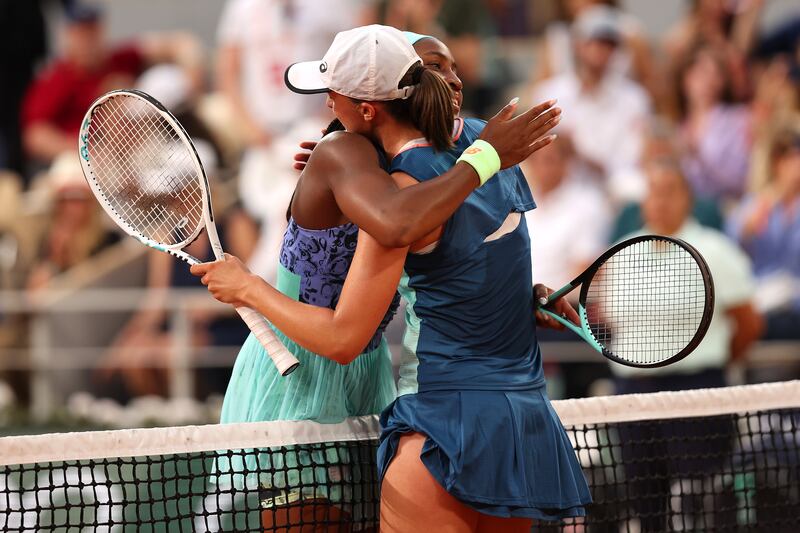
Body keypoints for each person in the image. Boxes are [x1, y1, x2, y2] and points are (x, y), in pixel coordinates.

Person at [193, 24, 588, 532]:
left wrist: (519, 298)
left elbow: (410, 233)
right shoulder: (376, 158)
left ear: (368, 107)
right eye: (432, 69)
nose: (449, 82)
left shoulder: (430, 168)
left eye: (333, 94)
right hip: (294, 368)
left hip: (377, 373)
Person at [610, 158, 763, 531]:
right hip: (632, 396)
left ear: (688, 199)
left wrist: (716, 364)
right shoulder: (621, 250)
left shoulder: (716, 248)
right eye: (653, 193)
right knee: (646, 505)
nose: (660, 201)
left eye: (669, 192)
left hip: (697, 392)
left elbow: (748, 322)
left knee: (698, 506)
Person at [21, 4, 204, 165]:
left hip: (142, 147)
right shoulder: (57, 78)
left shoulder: (118, 58)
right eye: (81, 34)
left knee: (165, 81)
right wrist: (87, 152)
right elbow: (35, 136)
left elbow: (181, 43)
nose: (88, 41)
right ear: (69, 36)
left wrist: (192, 75)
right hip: (92, 160)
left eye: (92, 32)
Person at [530, 5, 652, 202]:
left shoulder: (634, 99)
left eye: (609, 44)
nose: (600, 50)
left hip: (612, 196)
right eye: (594, 42)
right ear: (578, 45)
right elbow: (538, 157)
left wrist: (578, 154)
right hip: (558, 194)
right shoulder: (549, 94)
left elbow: (626, 167)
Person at [727, 129, 800, 340]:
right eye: (789, 159)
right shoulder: (757, 202)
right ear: (777, 163)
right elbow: (732, 247)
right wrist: (748, 226)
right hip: (764, 300)